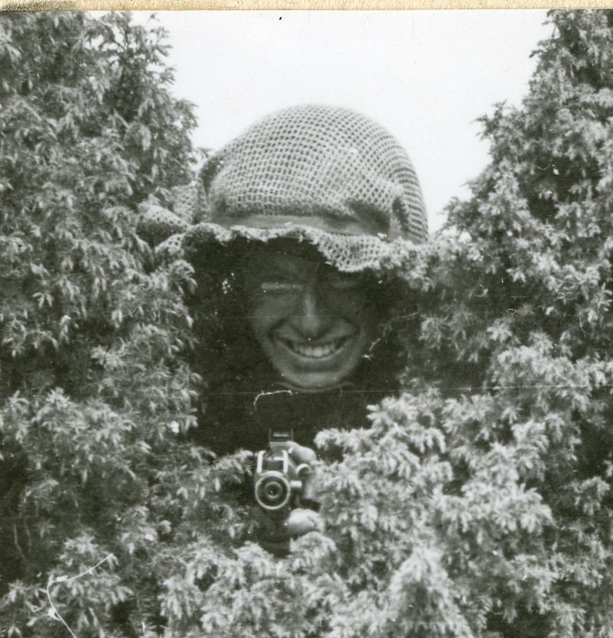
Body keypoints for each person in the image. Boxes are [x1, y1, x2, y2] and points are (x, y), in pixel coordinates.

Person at [139, 105, 428, 544]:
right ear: (238, 290)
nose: (311, 320)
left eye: (344, 278)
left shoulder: (435, 410)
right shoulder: (179, 405)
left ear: (388, 291)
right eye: (277, 282)